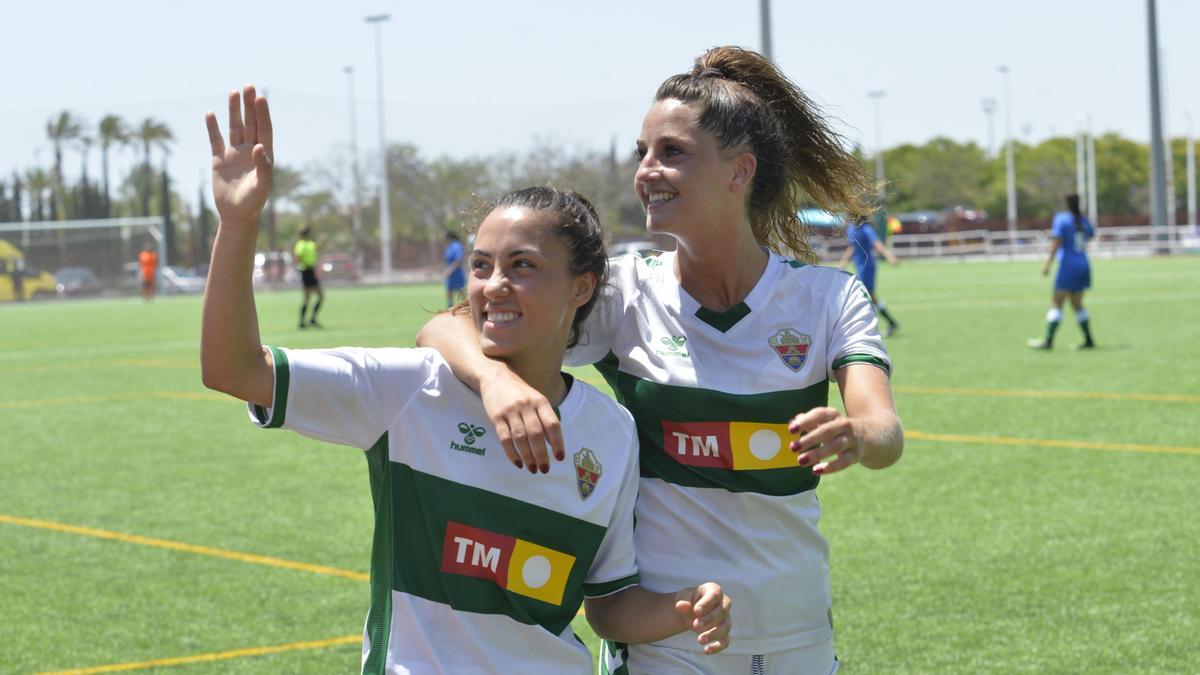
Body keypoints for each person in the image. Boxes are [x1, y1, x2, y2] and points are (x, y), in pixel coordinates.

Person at [200, 85, 731, 674]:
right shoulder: (408, 393)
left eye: (522, 265)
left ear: (582, 287)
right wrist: (238, 222)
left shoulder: (609, 432)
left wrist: (679, 609)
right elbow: (234, 370)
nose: (493, 285)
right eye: (481, 266)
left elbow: (607, 604)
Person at [417, 46, 903, 675]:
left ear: (739, 171)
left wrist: (859, 433)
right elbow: (446, 327)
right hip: (666, 640)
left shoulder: (827, 297)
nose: (647, 170)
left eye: (672, 152)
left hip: (798, 630)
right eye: (642, 152)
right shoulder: (622, 294)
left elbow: (886, 433)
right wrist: (492, 380)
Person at [1028, 193, 1096, 350]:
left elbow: (1056, 242)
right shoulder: (1084, 220)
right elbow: (1090, 235)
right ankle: (1089, 340)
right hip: (1084, 264)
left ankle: (1048, 340)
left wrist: (1047, 264)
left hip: (1068, 266)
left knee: (1056, 303)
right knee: (1077, 304)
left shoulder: (1062, 219)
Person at [838, 215, 901, 336]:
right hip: (858, 266)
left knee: (864, 296)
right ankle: (890, 322)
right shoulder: (850, 228)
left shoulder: (866, 228)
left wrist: (890, 257)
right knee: (869, 297)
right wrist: (842, 264)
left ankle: (866, 329)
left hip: (868, 267)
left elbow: (877, 243)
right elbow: (852, 246)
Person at [294, 225, 323, 328]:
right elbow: (298, 257)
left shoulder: (311, 244)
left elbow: (314, 257)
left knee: (320, 296)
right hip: (306, 271)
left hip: (311, 270)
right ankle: (302, 322)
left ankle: (313, 319)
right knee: (307, 298)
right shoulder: (300, 245)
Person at [444, 231, 467, 308]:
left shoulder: (457, 246)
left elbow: (459, 260)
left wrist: (450, 269)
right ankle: (450, 307)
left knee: (460, 292)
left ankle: (465, 308)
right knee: (449, 290)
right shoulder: (449, 246)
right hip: (450, 274)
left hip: (457, 273)